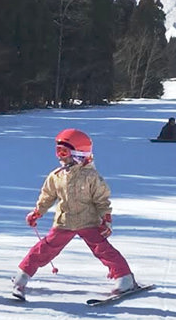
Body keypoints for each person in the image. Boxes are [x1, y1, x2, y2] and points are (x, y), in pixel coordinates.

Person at [12, 128, 136, 300]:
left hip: (89, 221)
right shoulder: (56, 176)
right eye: (58, 151)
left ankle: (124, 278)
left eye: (64, 152)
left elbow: (102, 199)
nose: (60, 156)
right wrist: (37, 212)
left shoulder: (91, 176)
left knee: (103, 250)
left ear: (79, 153)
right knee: (44, 249)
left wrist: (106, 218)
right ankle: (22, 276)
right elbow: (47, 196)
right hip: (65, 222)